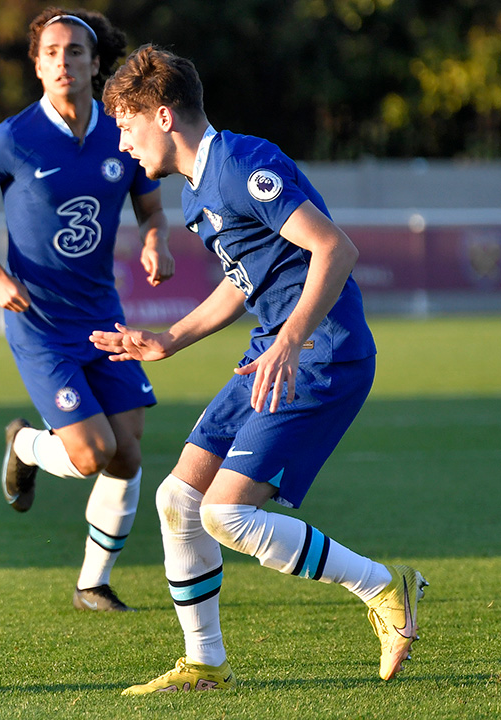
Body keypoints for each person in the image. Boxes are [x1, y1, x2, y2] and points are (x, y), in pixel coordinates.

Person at [92, 44, 427, 692]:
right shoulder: (196, 192)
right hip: (274, 351)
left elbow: (336, 248)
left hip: (320, 356)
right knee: (178, 499)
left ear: (162, 116)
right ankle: (205, 664)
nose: (126, 148)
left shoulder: (244, 164)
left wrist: (290, 339)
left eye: (128, 129)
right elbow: (245, 281)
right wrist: (170, 339)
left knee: (227, 516)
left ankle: (386, 589)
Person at [0, 8, 172, 612]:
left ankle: (92, 582)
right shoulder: (13, 138)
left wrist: (156, 237)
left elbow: (150, 207)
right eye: (52, 51)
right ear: (37, 64)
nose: (64, 61)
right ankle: (24, 447)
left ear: (96, 64)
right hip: (39, 321)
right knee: (91, 452)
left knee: (127, 450)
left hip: (103, 314)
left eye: (76, 51)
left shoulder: (122, 134)